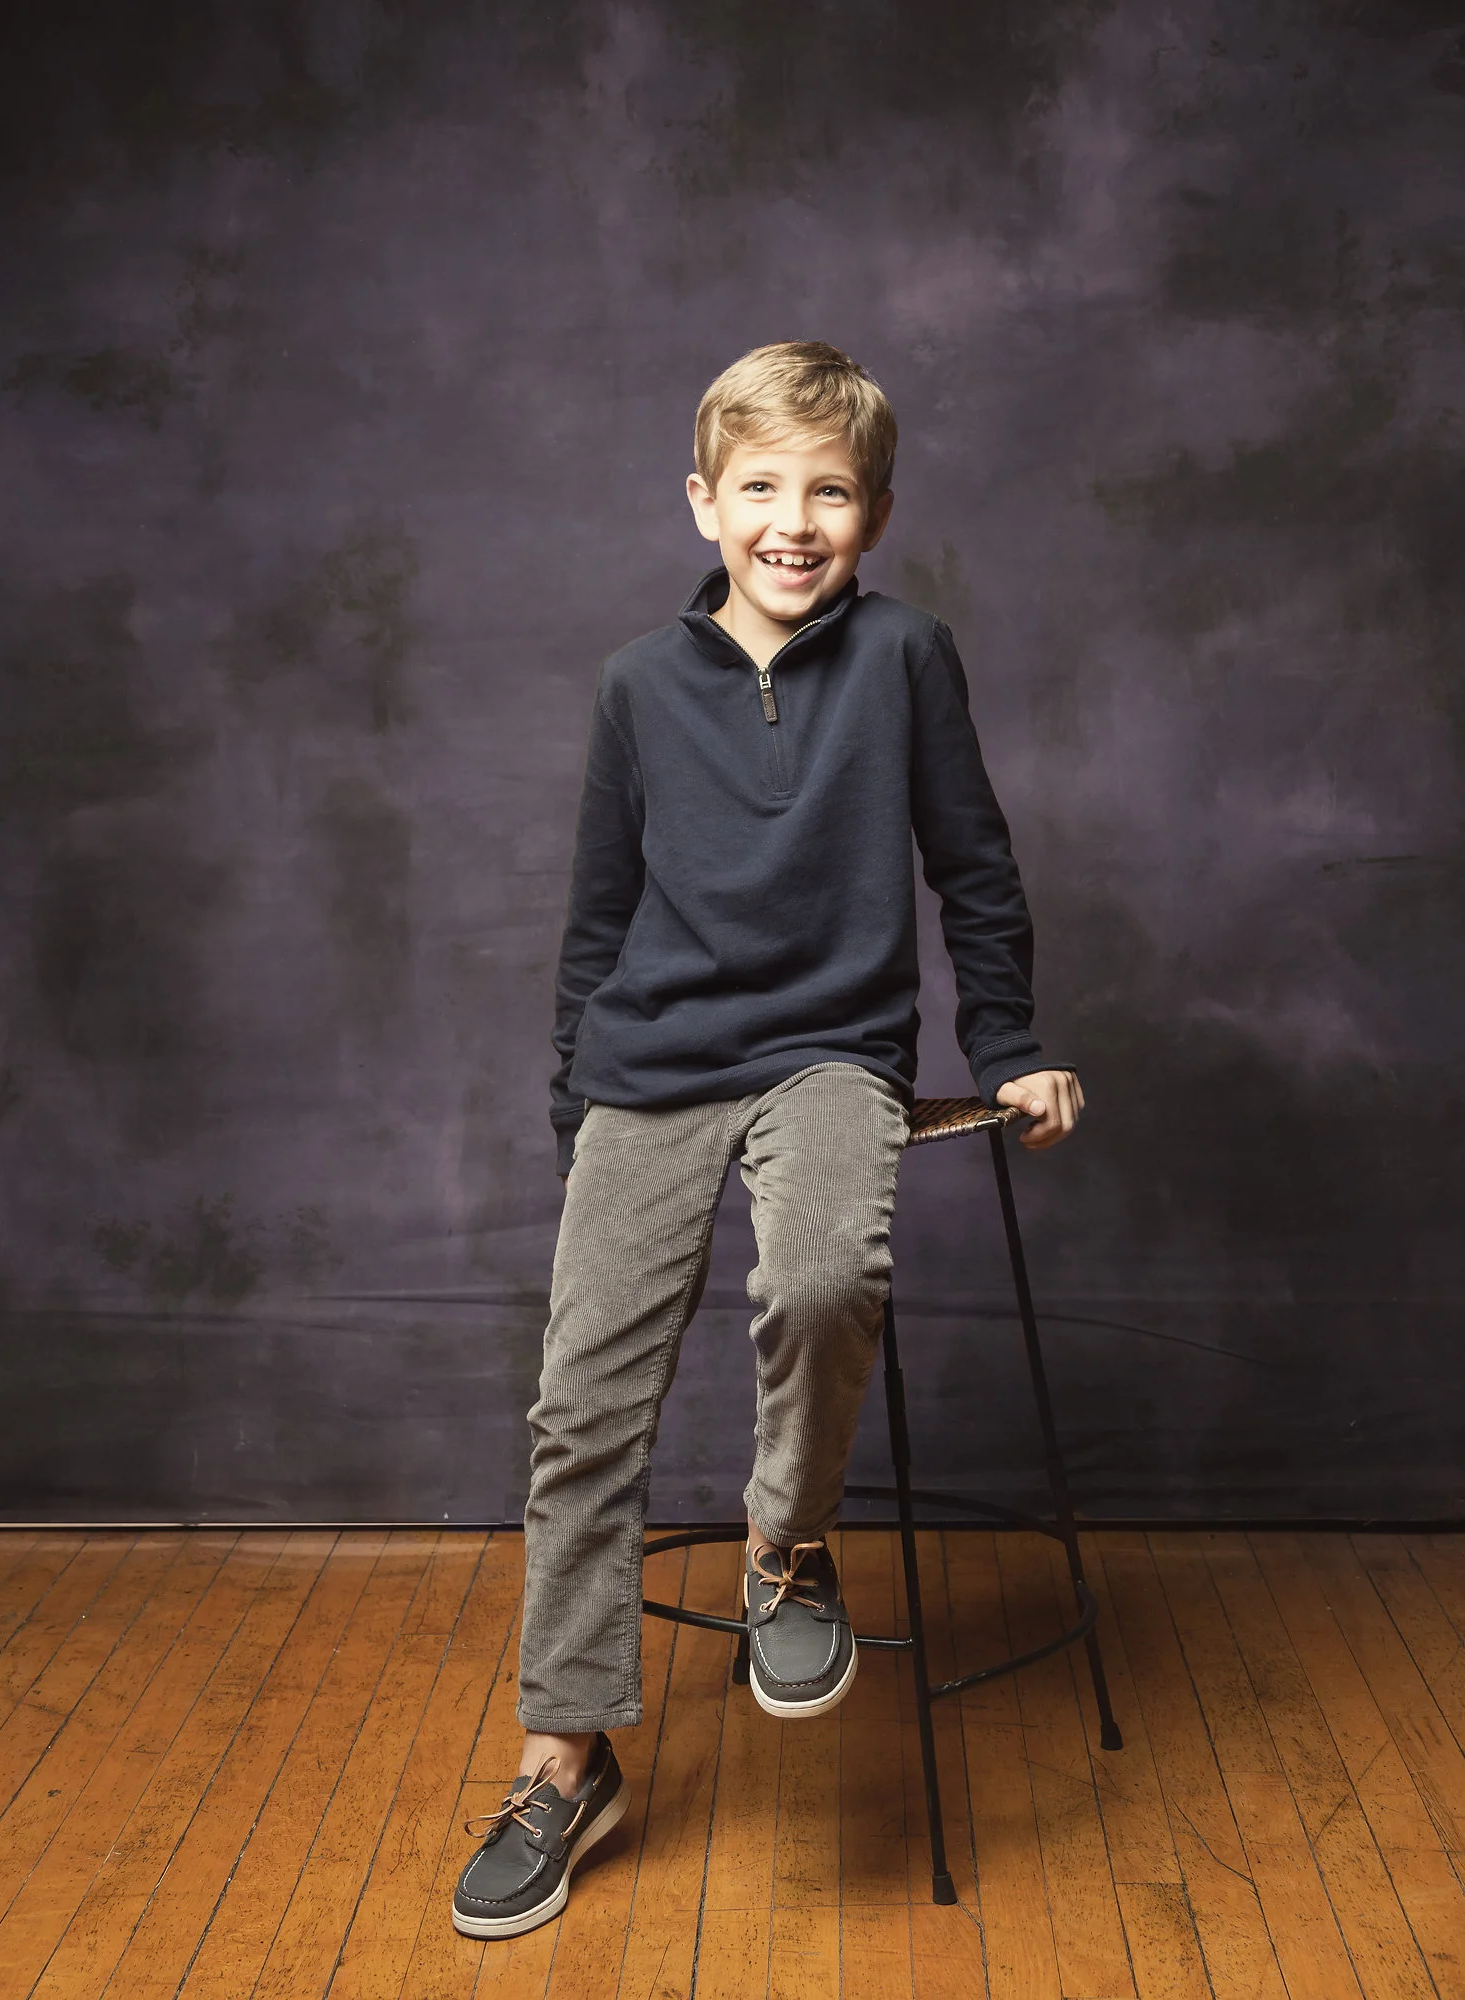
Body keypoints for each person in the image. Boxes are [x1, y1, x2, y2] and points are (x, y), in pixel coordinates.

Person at [452, 341, 1083, 1940]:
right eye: (761, 488)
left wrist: (1009, 1048)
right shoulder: (636, 685)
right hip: (649, 1065)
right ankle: (563, 1756)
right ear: (703, 502)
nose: (793, 521)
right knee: (581, 1408)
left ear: (875, 514)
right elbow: (597, 917)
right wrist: (577, 1106)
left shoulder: (909, 658)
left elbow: (976, 865)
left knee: (818, 1279)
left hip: (829, 1055)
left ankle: (788, 1551)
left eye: (831, 493)